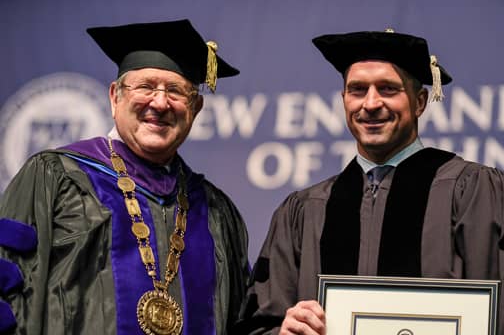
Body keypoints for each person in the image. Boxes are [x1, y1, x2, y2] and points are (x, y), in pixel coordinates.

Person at [235, 29, 504, 334]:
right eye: (358, 90)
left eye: (388, 89)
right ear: (344, 100)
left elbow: (496, 311)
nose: (371, 103)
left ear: (420, 102)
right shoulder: (304, 210)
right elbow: (259, 323)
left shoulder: (470, 191)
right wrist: (283, 330)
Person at [0, 19, 249, 335]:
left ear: (195, 107)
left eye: (176, 91)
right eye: (145, 86)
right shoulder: (56, 178)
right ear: (115, 96)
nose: (159, 103)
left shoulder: (216, 211)